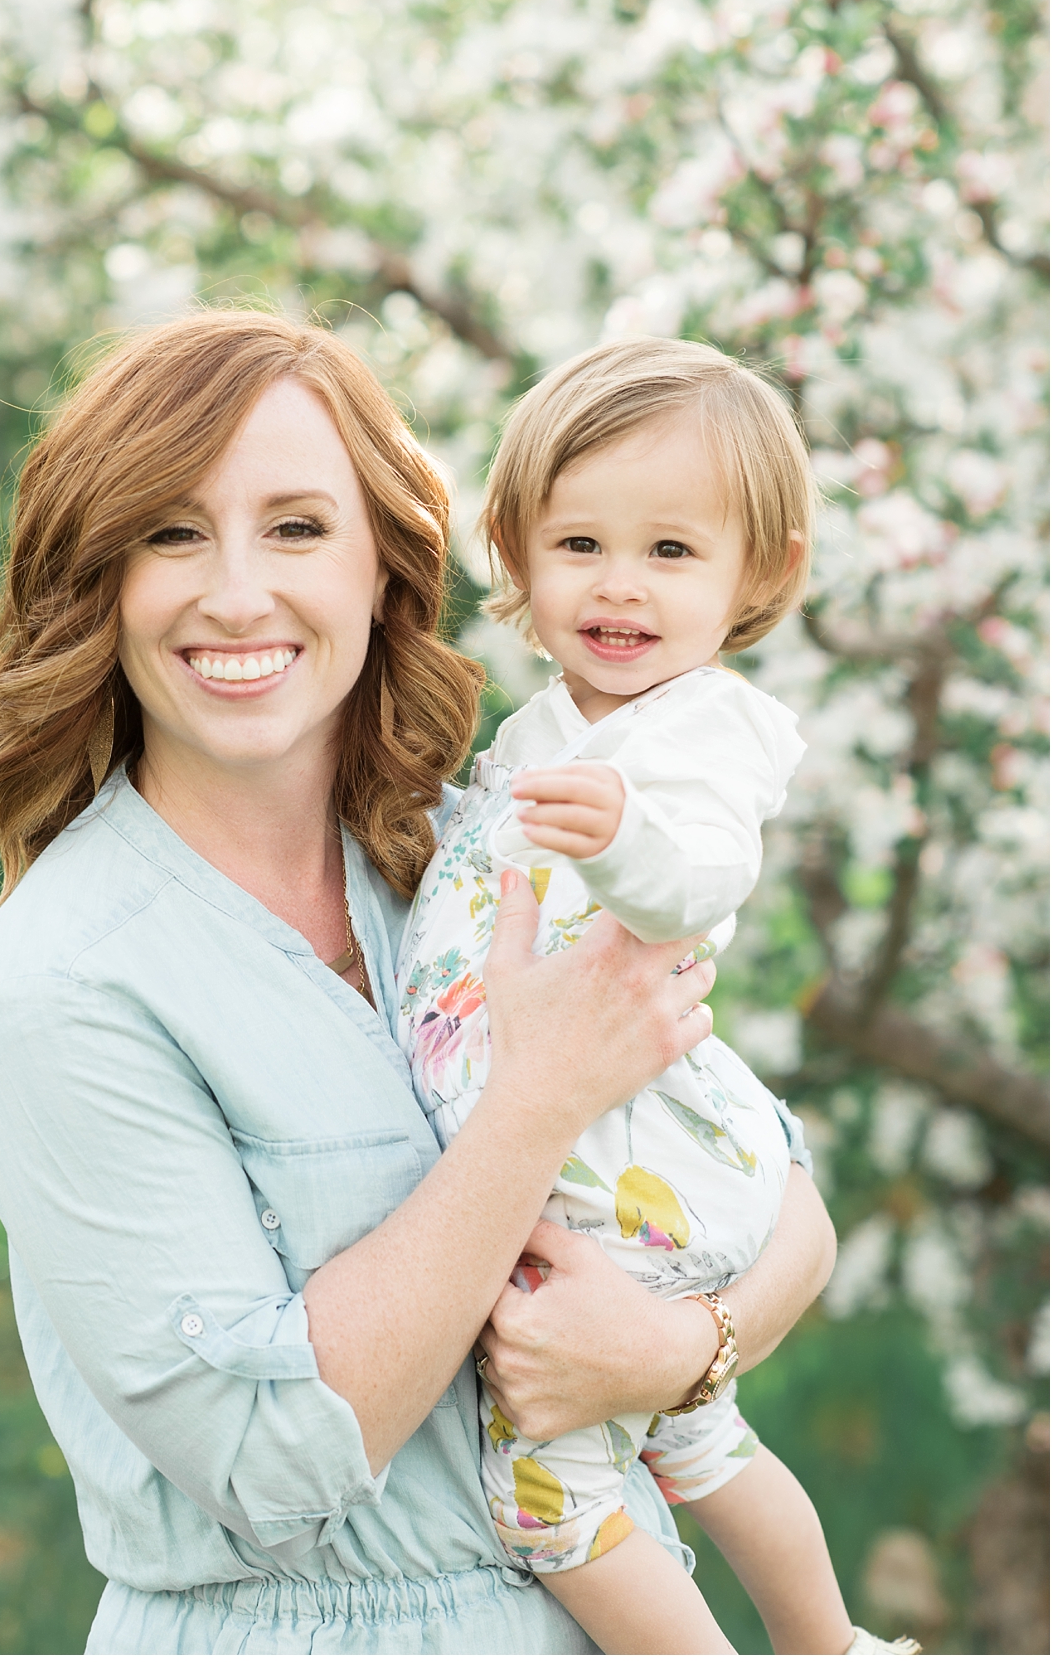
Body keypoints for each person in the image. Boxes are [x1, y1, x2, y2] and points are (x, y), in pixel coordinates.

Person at [0, 310, 841, 1653]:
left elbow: (774, 1186)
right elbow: (266, 1463)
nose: (239, 591)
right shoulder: (69, 977)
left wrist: (677, 1351)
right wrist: (532, 1105)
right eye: (172, 531)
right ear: (98, 577)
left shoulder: (465, 846)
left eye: (299, 527)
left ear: (383, 565)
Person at [404, 336, 905, 1654]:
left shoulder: (701, 727)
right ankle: (833, 1641)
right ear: (514, 546)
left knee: (548, 1493)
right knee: (700, 1436)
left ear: (763, 572)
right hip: (637, 1153)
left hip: (634, 1168)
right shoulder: (546, 727)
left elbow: (698, 874)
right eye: (580, 544)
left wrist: (623, 825)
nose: (619, 585)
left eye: (671, 552)